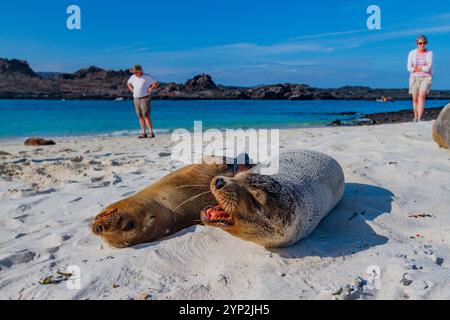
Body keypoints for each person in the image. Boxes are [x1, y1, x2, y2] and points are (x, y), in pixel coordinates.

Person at [127, 65, 159, 138]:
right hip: (136, 98)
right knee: (140, 116)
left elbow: (156, 82)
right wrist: (131, 89)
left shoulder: (147, 76)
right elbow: (128, 83)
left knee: (146, 115)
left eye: (136, 72)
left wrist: (151, 88)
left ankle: (151, 132)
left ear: (140, 71)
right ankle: (143, 133)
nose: (134, 73)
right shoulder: (132, 77)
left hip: (145, 98)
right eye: (134, 72)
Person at [407, 35, 433, 122]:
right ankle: (415, 116)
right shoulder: (412, 53)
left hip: (426, 77)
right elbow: (409, 67)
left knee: (421, 97)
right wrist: (418, 68)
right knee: (414, 98)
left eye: (424, 43)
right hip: (414, 77)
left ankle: (419, 118)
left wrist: (418, 67)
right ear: (417, 44)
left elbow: (428, 67)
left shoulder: (429, 53)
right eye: (420, 43)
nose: (422, 45)